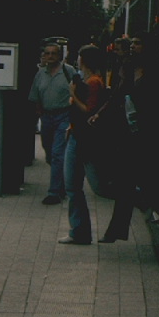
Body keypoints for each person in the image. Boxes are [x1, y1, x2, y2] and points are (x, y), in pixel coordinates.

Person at [97, 33, 159, 242]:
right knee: (127, 182)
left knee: (150, 183)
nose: (133, 47)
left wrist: (145, 111)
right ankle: (116, 231)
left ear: (148, 47)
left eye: (137, 43)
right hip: (129, 135)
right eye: (133, 44)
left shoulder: (158, 71)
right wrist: (100, 114)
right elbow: (117, 96)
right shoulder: (128, 68)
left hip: (150, 135)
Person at [59, 44, 107, 245]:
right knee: (77, 185)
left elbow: (88, 110)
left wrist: (73, 94)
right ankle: (78, 230)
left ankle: (79, 230)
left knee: (80, 185)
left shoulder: (94, 82)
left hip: (83, 140)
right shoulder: (90, 80)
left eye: (79, 56)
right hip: (78, 136)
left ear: (84, 60)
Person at [28, 41, 74, 205]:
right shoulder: (40, 74)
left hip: (64, 115)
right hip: (46, 117)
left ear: (60, 56)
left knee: (57, 154)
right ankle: (60, 183)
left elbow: (77, 92)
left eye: (53, 53)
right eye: (47, 53)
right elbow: (35, 96)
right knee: (49, 151)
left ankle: (54, 192)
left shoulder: (68, 71)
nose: (50, 56)